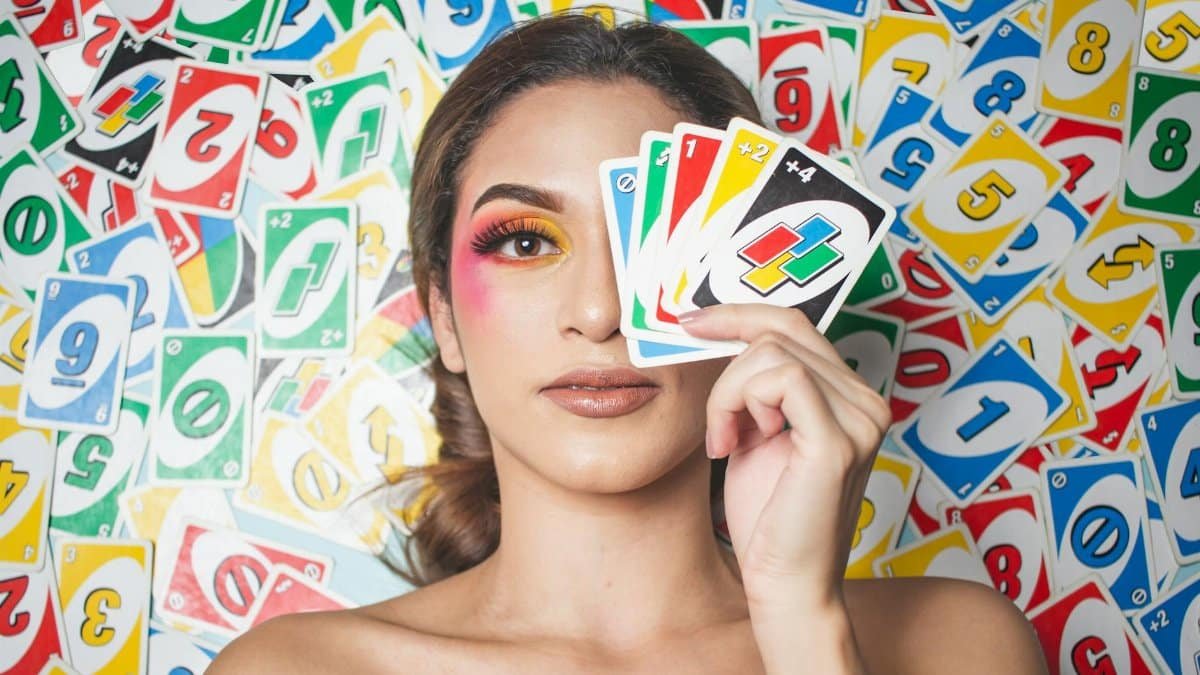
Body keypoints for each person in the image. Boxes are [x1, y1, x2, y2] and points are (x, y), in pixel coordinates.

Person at [211, 14, 1047, 674]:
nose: (599, 310)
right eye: (526, 241)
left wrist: (802, 620)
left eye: (657, 237)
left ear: (758, 290)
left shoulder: (955, 644)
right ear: (446, 317)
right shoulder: (292, 667)